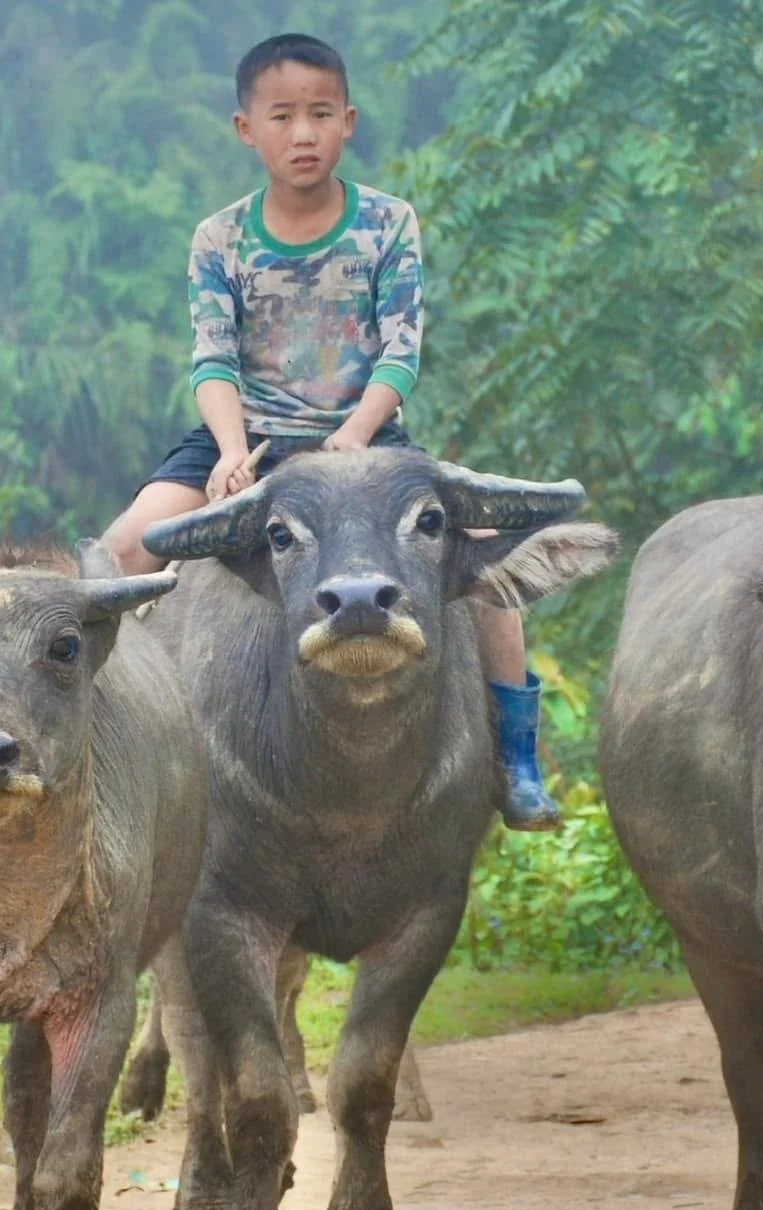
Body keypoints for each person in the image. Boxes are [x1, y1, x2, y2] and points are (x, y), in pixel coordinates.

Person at [104, 32, 562, 831]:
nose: (303, 133)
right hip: (243, 440)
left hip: (367, 442)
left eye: (320, 114)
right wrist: (234, 449)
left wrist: (355, 434)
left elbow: (401, 349)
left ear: (348, 121)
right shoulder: (221, 238)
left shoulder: (388, 223)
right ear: (247, 130)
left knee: (489, 556)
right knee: (121, 552)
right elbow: (212, 358)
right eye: (282, 116)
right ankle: (106, 752)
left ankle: (514, 758)